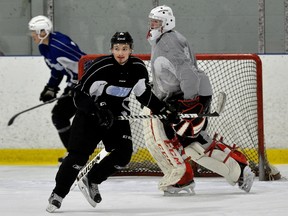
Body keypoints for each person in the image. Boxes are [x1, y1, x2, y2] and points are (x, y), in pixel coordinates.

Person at [46, 31, 176, 212]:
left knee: (123, 155)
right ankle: (58, 194)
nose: (120, 52)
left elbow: (143, 94)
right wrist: (95, 111)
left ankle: (92, 179)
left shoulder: (137, 68)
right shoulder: (101, 67)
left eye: (125, 48)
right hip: (90, 116)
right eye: (117, 48)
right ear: (111, 49)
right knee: (78, 157)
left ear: (131, 50)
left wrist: (163, 111)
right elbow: (79, 94)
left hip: (117, 117)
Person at [145, 5, 255, 196]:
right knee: (191, 143)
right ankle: (237, 169)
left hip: (189, 97)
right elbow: (172, 72)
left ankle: (190, 178)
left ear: (167, 23)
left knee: (188, 142)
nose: (152, 25)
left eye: (156, 22)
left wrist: (190, 103)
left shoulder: (169, 42)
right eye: (152, 21)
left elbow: (188, 75)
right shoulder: (165, 39)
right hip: (186, 96)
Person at [28, 15, 86, 162]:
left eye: (34, 32)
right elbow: (57, 69)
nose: (32, 35)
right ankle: (76, 154)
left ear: (43, 32)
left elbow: (85, 63)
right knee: (59, 116)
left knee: (72, 118)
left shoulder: (60, 45)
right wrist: (51, 88)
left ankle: (77, 155)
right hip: (73, 85)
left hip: (84, 86)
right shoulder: (44, 46)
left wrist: (81, 85)